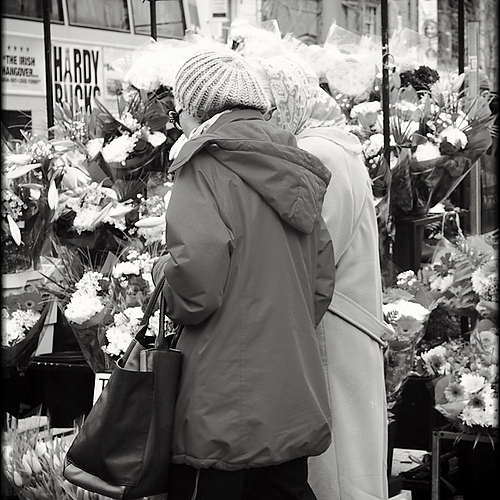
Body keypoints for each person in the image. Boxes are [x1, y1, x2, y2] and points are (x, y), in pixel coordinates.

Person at [152, 48, 335, 500]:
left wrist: (160, 272)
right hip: (290, 393)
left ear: (195, 109)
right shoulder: (294, 165)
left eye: (177, 113)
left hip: (220, 399)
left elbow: (196, 287)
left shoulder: (204, 165)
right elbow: (321, 281)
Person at [253, 55, 392, 500]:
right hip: (344, 319)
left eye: (267, 107)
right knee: (350, 454)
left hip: (332, 325)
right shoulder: (334, 143)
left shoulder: (317, 152)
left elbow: (308, 254)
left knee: (338, 464)